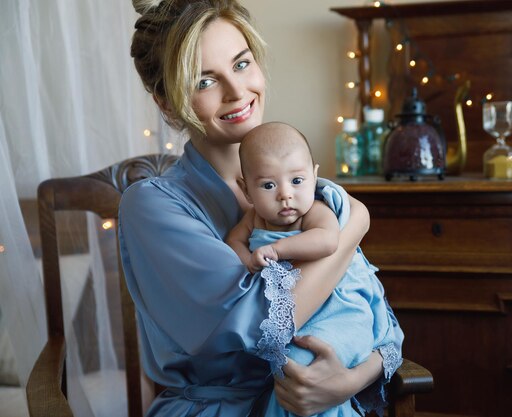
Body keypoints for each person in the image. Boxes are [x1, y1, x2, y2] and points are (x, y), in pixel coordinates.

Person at [119, 0, 402, 415]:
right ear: (165, 101)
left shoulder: (301, 189)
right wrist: (354, 226)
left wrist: (349, 381)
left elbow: (373, 315)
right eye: (203, 82)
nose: (237, 92)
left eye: (241, 63)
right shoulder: (151, 206)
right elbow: (257, 325)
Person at [226, 121, 404, 416]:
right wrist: (247, 258)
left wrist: (276, 250)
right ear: (247, 190)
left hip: (339, 308)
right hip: (299, 315)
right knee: (288, 369)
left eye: (297, 181)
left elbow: (327, 242)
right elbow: (234, 240)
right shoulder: (253, 217)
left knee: (301, 366)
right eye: (268, 185)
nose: (285, 195)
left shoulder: (315, 211)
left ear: (314, 176)